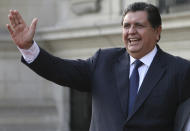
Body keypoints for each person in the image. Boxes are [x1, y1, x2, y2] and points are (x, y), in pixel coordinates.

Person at [6, 2, 190, 131]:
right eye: (126, 26)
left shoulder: (180, 70)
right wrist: (29, 48)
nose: (131, 32)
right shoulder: (104, 61)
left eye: (139, 25)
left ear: (157, 32)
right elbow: (61, 70)